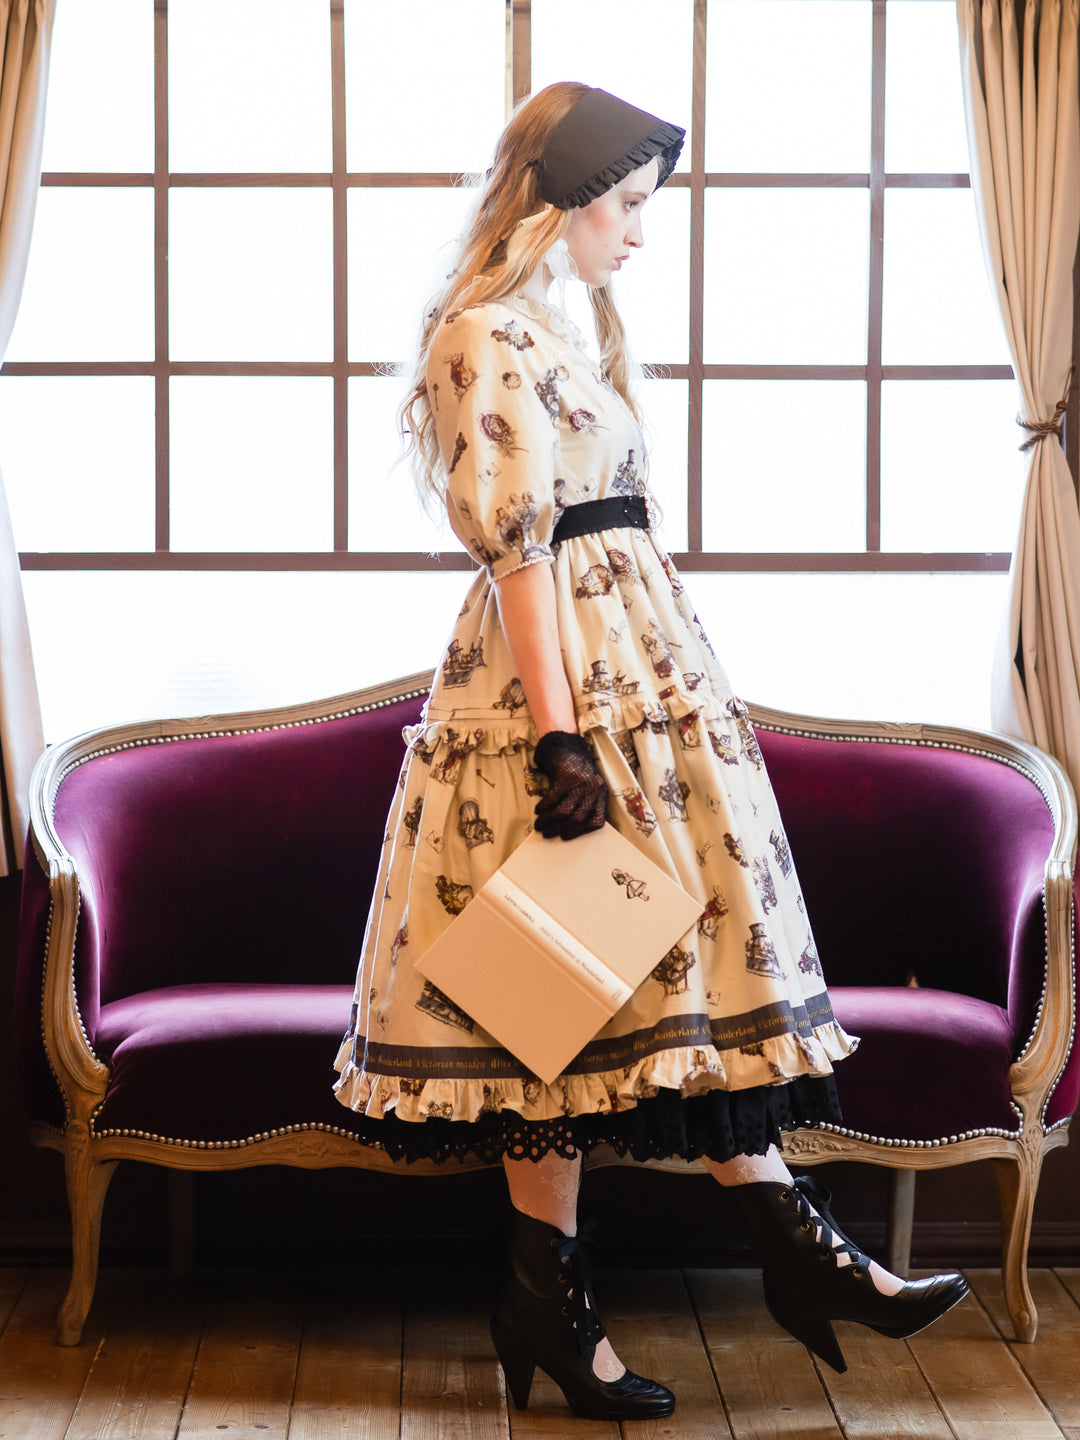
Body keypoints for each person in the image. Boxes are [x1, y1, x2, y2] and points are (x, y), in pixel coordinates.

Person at [333, 81, 968, 1420]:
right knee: (553, 997)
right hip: (559, 690)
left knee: (597, 993)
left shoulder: (554, 330)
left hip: (638, 674)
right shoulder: (483, 333)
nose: (637, 231)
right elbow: (521, 555)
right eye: (623, 205)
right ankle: (759, 1261)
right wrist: (563, 740)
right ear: (557, 201)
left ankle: (625, 1285)